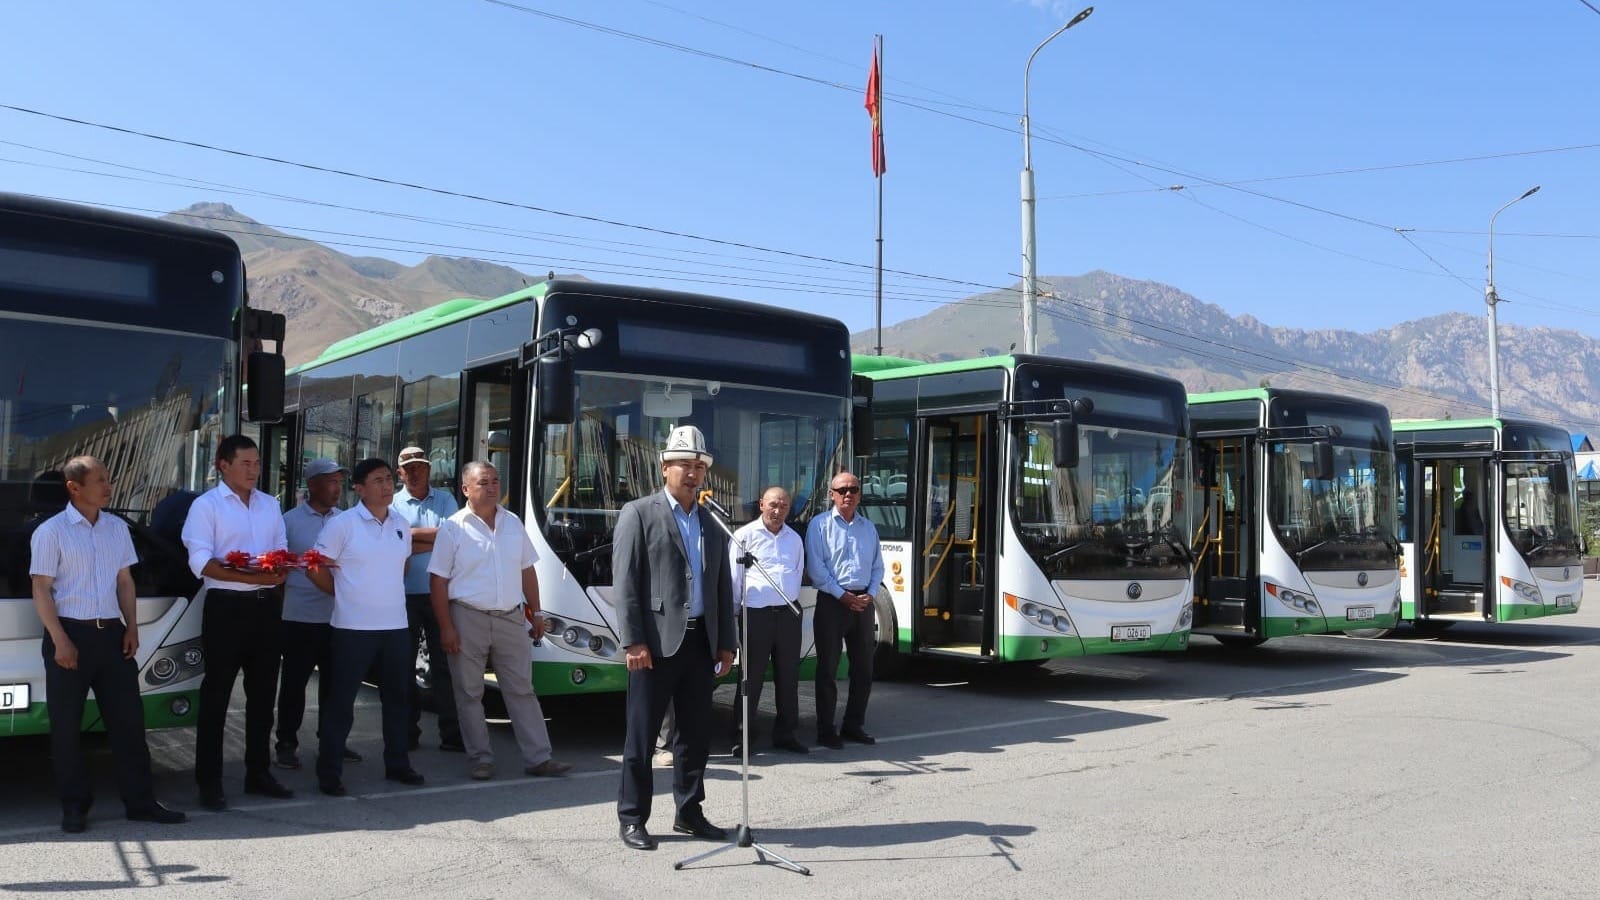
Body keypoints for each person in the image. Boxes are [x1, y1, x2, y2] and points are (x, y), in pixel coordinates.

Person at [30, 456, 187, 833]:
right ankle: (74, 806)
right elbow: (41, 588)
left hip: (111, 635)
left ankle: (141, 802)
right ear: (74, 487)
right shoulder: (51, 532)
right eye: (99, 480)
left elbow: (125, 582)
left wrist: (131, 627)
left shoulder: (116, 528)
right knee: (66, 728)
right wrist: (61, 641)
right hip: (70, 635)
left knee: (129, 723)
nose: (107, 486)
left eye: (108, 479)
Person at [614, 425, 737, 851]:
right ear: (664, 467)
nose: (693, 472)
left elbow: (723, 585)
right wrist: (632, 641)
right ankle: (632, 817)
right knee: (642, 735)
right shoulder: (639, 513)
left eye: (699, 465)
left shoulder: (712, 520)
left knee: (695, 733)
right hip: (655, 642)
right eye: (684, 464)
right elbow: (626, 583)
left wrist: (727, 641)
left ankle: (689, 810)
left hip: (701, 642)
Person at [429, 461, 573, 782]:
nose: (492, 487)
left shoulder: (513, 523)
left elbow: (527, 570)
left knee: (522, 688)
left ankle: (539, 758)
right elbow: (437, 582)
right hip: (467, 616)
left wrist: (535, 613)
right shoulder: (453, 528)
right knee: (469, 692)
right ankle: (481, 758)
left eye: (495, 480)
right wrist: (446, 627)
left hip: (510, 617)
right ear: (466, 489)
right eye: (484, 482)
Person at [181, 434, 294, 811]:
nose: (254, 470)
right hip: (226, 608)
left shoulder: (269, 505)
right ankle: (209, 782)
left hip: (265, 609)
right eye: (245, 463)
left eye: (258, 463)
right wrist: (252, 578)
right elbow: (202, 563)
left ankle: (258, 773)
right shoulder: (206, 506)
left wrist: (277, 573)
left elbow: (279, 553)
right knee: (217, 697)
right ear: (223, 465)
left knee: (263, 697)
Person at [308, 458, 426, 796]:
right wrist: (344, 592)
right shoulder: (342, 525)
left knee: (398, 699)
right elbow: (314, 566)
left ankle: (398, 764)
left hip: (394, 627)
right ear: (359, 488)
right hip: (352, 628)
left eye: (389, 479)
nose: (387, 485)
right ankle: (329, 771)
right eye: (377, 480)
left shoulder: (401, 524)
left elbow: (402, 567)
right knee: (341, 702)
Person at [274, 459, 363, 770]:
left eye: (340, 481)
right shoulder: (288, 521)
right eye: (330, 481)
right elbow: (279, 569)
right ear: (312, 485)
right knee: (294, 686)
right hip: (299, 617)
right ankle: (286, 743)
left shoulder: (347, 521)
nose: (337, 488)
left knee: (335, 686)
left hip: (338, 617)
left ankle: (332, 741)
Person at [806, 470, 884, 749]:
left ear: (860, 494)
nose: (847, 494)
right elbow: (816, 569)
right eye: (842, 490)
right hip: (832, 602)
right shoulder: (819, 525)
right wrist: (843, 596)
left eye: (853, 489)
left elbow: (877, 567)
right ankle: (826, 729)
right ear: (831, 495)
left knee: (864, 668)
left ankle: (854, 724)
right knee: (828, 668)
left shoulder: (869, 528)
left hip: (863, 603)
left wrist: (870, 594)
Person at [393, 445, 464, 753]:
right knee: (404, 667)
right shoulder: (392, 502)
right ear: (400, 473)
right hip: (402, 595)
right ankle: (408, 733)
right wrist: (430, 538)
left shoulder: (446, 499)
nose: (416, 472)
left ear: (429, 470)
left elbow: (453, 535)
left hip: (441, 594)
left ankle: (452, 734)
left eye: (420, 466)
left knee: (446, 666)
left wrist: (410, 537)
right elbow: (392, 541)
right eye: (409, 468)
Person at [729, 486, 808, 755]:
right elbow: (733, 580)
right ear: (761, 504)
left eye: (784, 506)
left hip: (787, 614)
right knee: (750, 678)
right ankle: (745, 737)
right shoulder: (744, 536)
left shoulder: (794, 539)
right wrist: (734, 616)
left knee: (789, 677)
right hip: (755, 614)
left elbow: (797, 574)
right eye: (773, 504)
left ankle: (787, 734)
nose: (778, 511)